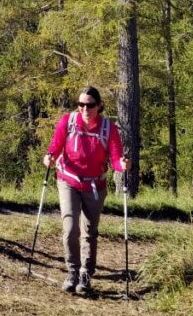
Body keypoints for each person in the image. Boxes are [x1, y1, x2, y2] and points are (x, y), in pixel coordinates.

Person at [42, 86, 128, 296]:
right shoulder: (68, 121)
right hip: (68, 180)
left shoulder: (109, 128)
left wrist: (123, 164)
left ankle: (85, 275)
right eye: (81, 104)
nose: (84, 109)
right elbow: (55, 146)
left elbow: (116, 158)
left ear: (99, 106)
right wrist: (49, 157)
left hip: (94, 186)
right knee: (71, 228)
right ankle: (72, 272)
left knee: (90, 232)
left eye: (89, 105)